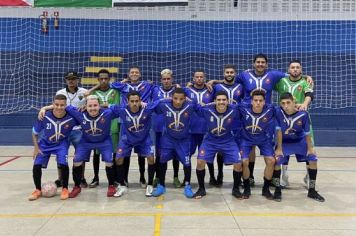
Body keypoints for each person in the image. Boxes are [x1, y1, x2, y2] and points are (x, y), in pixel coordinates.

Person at [39, 95, 120, 198]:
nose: (93, 108)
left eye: (95, 105)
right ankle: (77, 186)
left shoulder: (107, 113)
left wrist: (107, 105)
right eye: (90, 106)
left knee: (109, 160)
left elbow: (122, 108)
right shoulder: (79, 113)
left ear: (99, 106)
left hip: (104, 141)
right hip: (86, 141)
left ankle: (111, 185)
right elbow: (62, 106)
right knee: (77, 160)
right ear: (85, 106)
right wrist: (44, 108)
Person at [110, 66, 155, 188]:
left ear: (140, 74)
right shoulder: (124, 86)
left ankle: (143, 178)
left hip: (142, 119)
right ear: (128, 75)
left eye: (136, 72)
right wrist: (122, 82)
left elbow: (159, 90)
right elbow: (112, 85)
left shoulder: (146, 85)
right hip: (127, 120)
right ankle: (123, 179)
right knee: (125, 154)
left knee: (143, 153)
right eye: (132, 72)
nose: (134, 74)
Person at [193, 91, 243, 199]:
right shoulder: (207, 110)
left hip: (228, 140)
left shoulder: (234, 109)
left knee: (238, 163)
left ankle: (235, 189)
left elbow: (247, 106)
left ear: (228, 101)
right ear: (214, 101)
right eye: (219, 100)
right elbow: (194, 106)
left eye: (224, 100)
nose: (221, 102)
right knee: (200, 161)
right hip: (210, 140)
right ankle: (201, 189)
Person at [275, 92, 325, 202]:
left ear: (294, 102)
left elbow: (307, 133)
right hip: (284, 142)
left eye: (288, 103)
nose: (286, 106)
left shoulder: (303, 114)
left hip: (299, 140)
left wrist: (310, 148)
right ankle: (277, 189)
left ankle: (312, 190)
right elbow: (278, 131)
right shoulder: (278, 112)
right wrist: (278, 148)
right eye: (283, 103)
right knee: (277, 160)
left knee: (313, 159)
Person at [274, 59, 314, 187]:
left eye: (298, 67)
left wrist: (305, 104)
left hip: (301, 120)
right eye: (292, 67)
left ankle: (309, 176)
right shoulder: (281, 81)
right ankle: (284, 176)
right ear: (288, 70)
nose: (295, 69)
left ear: (301, 70)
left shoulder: (305, 82)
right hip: (283, 119)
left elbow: (309, 94)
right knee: (282, 147)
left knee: (310, 148)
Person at [29, 94, 78, 201]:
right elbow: (34, 132)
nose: (59, 107)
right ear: (53, 104)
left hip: (61, 144)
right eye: (56, 105)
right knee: (36, 165)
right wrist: (36, 147)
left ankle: (65, 188)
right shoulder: (44, 116)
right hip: (45, 144)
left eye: (62, 105)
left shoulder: (72, 117)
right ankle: (37, 189)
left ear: (66, 105)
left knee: (63, 164)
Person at [237, 90, 282, 201]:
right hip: (246, 139)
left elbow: (286, 109)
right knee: (244, 162)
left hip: (263, 139)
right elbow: (225, 104)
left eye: (260, 101)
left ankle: (265, 189)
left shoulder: (271, 109)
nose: (258, 103)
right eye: (255, 100)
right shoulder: (243, 108)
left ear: (264, 102)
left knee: (271, 161)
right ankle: (247, 188)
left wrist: (299, 106)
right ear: (251, 101)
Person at [112, 91, 158, 197]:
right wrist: (87, 105)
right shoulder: (122, 110)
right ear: (127, 102)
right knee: (118, 158)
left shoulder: (147, 109)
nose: (134, 103)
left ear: (140, 101)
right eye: (132, 101)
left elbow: (160, 101)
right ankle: (122, 184)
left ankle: (150, 184)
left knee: (151, 158)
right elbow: (106, 107)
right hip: (127, 139)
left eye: (137, 101)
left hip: (144, 139)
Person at [151, 88, 195, 198]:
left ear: (185, 98)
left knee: (187, 162)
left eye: (181, 99)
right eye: (175, 98)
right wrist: (159, 100)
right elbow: (150, 107)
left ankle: (187, 185)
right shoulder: (164, 105)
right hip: (168, 139)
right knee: (162, 160)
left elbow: (203, 109)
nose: (178, 101)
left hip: (184, 140)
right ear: (171, 97)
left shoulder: (190, 105)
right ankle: (161, 185)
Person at [206, 65, 244, 187]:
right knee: (216, 152)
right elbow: (211, 103)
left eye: (231, 72)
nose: (229, 74)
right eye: (227, 72)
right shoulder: (217, 87)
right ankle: (216, 175)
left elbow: (244, 102)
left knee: (235, 152)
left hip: (236, 123)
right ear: (223, 73)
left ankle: (236, 178)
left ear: (235, 73)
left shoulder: (240, 87)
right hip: (219, 122)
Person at [55, 71, 88, 188]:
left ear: (77, 80)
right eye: (69, 79)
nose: (71, 81)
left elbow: (92, 106)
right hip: (63, 128)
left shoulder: (84, 92)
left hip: (78, 129)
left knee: (80, 154)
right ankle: (60, 178)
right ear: (65, 80)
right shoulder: (60, 93)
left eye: (73, 78)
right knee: (60, 154)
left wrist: (86, 106)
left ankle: (81, 178)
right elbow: (56, 108)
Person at [89, 69, 121, 188]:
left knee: (113, 154)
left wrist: (101, 106)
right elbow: (86, 98)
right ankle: (96, 177)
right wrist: (96, 87)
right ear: (98, 80)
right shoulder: (94, 94)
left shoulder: (115, 91)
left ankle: (115, 179)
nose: (103, 81)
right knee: (96, 154)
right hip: (97, 127)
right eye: (101, 79)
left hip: (112, 126)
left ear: (109, 79)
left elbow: (116, 107)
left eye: (106, 78)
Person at [184, 70, 216, 185]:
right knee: (187, 155)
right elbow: (175, 92)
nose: (199, 79)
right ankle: (186, 179)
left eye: (201, 77)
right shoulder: (186, 90)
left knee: (208, 155)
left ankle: (212, 177)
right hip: (190, 129)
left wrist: (213, 82)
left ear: (205, 78)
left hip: (206, 128)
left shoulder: (211, 90)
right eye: (196, 77)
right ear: (193, 79)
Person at [151, 69, 182, 188]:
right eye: (164, 79)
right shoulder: (155, 90)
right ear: (161, 80)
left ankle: (175, 177)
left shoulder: (177, 91)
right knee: (159, 154)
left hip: (174, 126)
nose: (166, 81)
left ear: (172, 79)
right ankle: (157, 177)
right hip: (158, 126)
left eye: (168, 79)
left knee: (175, 153)